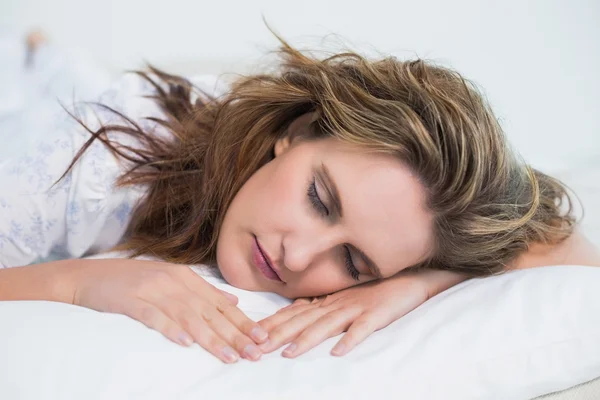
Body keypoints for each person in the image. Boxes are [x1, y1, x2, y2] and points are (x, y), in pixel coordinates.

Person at [1, 29, 599, 365]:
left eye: (354, 262)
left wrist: (420, 282)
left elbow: (569, 254)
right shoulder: (108, 158)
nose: (299, 255)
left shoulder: (409, 227)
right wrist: (77, 284)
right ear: (295, 132)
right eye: (319, 198)